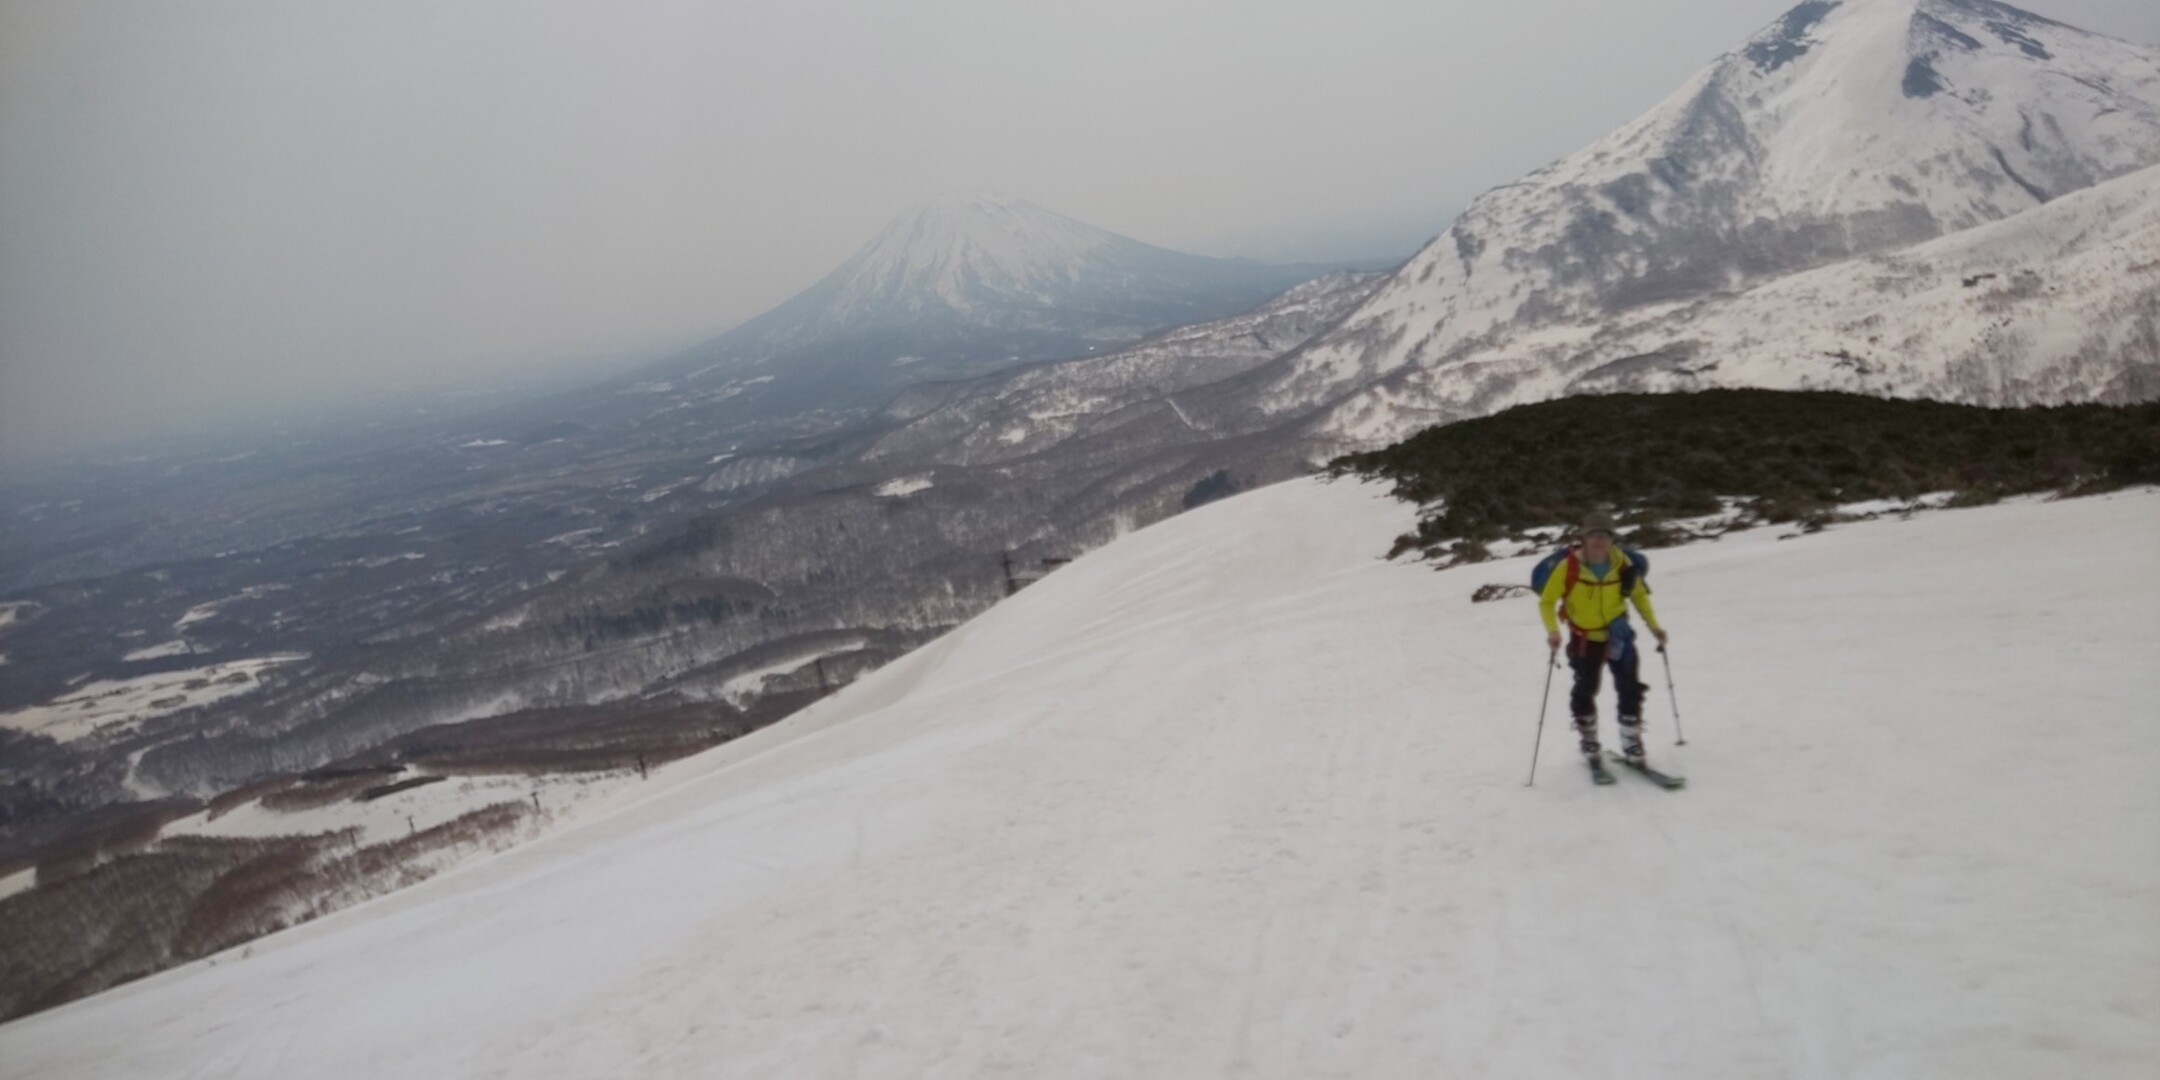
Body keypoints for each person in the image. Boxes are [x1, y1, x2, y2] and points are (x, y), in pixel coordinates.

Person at [1538, 517, 1669, 766]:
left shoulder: (1622, 563)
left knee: (1629, 687)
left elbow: (1639, 596)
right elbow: (1546, 601)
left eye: (1606, 535)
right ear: (1584, 538)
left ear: (1612, 540)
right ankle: (1589, 738)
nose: (1600, 540)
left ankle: (1631, 740)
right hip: (1584, 639)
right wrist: (1553, 631)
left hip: (1619, 636)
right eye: (1594, 535)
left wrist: (1654, 627)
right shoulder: (1568, 567)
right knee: (1585, 689)